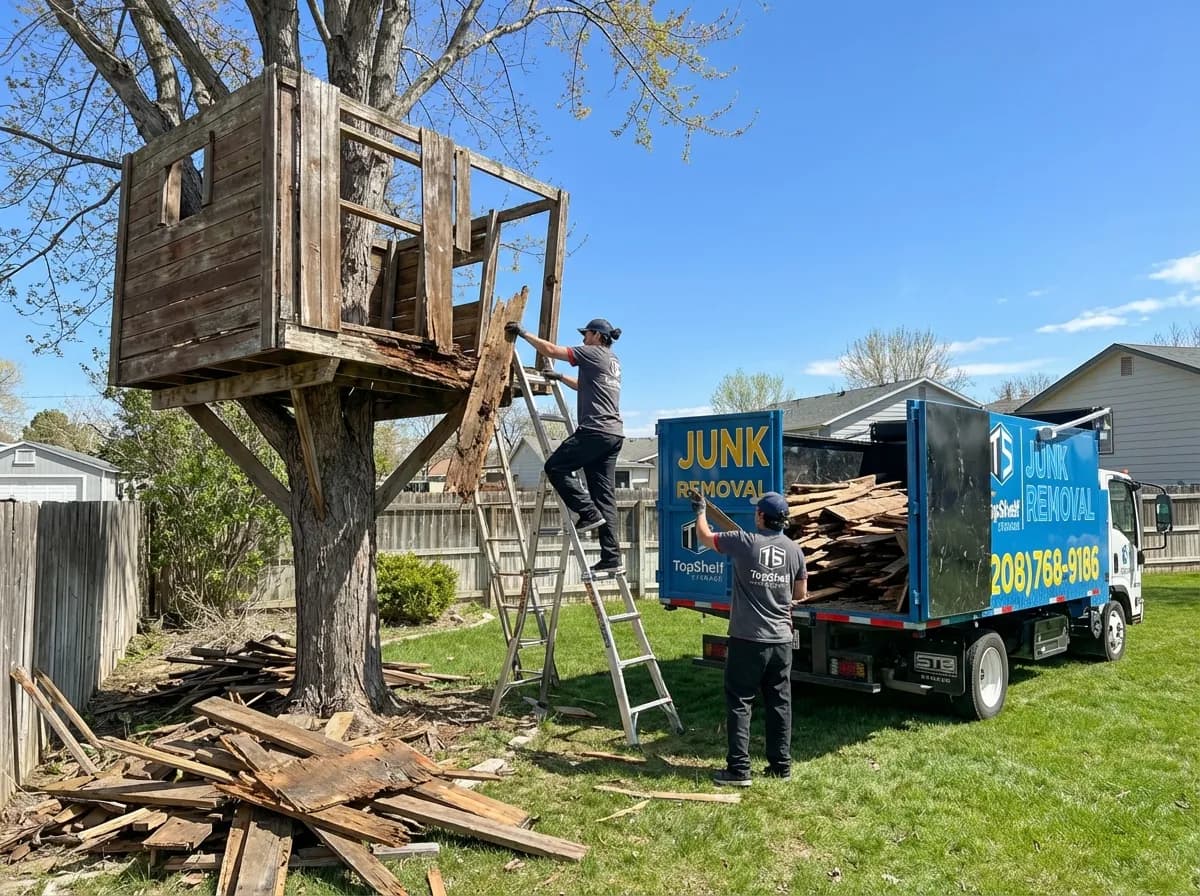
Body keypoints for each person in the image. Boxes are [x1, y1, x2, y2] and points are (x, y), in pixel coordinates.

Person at [692, 490, 807, 786]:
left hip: (747, 639)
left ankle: (739, 770)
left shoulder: (744, 542)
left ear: (761, 516)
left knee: (740, 701)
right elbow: (800, 593)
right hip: (781, 641)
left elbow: (705, 537)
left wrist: (700, 511)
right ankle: (781, 766)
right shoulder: (795, 551)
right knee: (779, 703)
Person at [505, 317, 625, 576]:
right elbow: (584, 386)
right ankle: (612, 557)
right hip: (614, 435)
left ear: (597, 335)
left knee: (555, 467)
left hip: (594, 431)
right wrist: (560, 377)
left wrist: (523, 333)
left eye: (586, 334)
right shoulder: (612, 361)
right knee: (605, 498)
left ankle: (587, 512)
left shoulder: (592, 352)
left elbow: (551, 350)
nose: (583, 338)